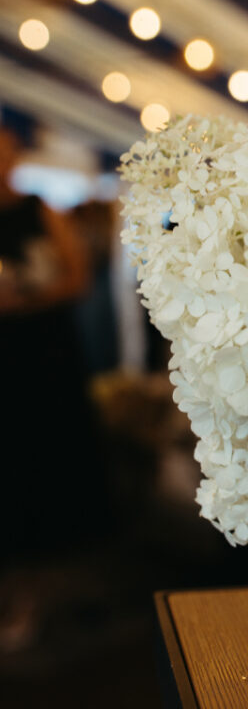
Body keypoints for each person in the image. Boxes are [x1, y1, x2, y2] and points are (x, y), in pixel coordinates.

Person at [0, 128, 103, 650]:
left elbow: (78, 279)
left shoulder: (43, 210)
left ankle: (42, 599)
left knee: (47, 469)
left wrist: (23, 301)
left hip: (46, 360)